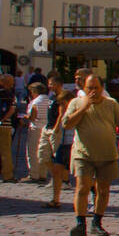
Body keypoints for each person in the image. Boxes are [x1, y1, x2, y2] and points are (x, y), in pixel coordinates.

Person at [63, 74, 119, 236]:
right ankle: (80, 223)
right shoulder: (76, 103)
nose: (93, 91)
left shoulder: (111, 104)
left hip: (107, 153)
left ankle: (97, 222)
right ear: (84, 89)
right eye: (89, 88)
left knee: (103, 190)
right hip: (83, 153)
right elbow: (67, 123)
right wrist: (84, 107)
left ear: (102, 88)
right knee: (82, 187)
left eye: (96, 88)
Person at [43, 77, 73, 209]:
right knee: (56, 169)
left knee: (82, 175)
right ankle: (55, 199)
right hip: (63, 142)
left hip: (73, 143)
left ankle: (87, 201)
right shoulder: (61, 109)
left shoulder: (77, 109)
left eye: (62, 103)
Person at [24, 82, 52, 182]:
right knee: (44, 151)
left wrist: (26, 117)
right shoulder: (49, 100)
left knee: (32, 151)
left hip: (36, 128)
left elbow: (33, 117)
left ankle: (34, 174)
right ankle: (42, 173)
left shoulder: (36, 102)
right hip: (46, 128)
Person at [0, 74, 17, 181]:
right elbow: (12, 109)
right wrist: (1, 120)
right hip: (4, 126)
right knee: (5, 152)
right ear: (6, 82)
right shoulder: (8, 93)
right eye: (11, 83)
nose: (12, 85)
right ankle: (8, 176)